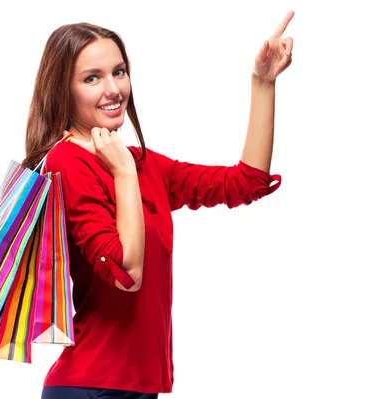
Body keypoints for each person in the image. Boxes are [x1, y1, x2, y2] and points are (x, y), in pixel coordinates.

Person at [21, 11, 295, 399]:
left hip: (140, 385)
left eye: (119, 71)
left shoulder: (139, 162)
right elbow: (126, 272)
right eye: (91, 78)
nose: (113, 88)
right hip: (92, 386)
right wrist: (124, 174)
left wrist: (263, 82)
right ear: (63, 90)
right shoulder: (69, 162)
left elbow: (244, 183)